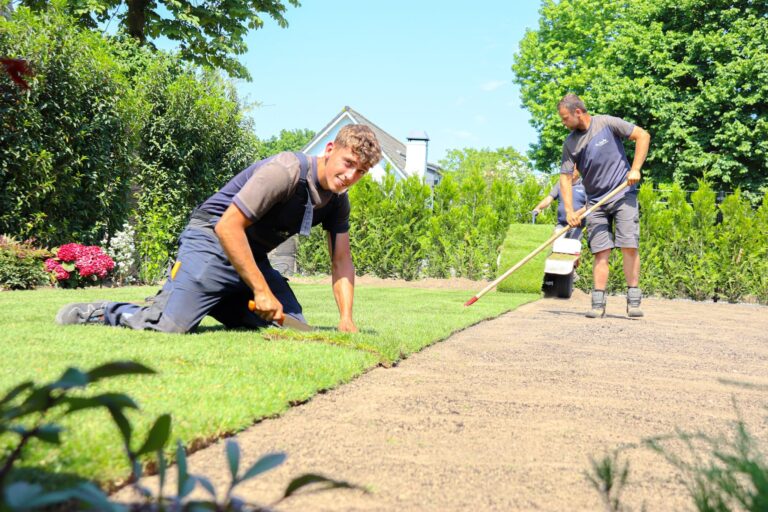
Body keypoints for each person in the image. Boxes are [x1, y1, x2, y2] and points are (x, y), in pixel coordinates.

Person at [55, 124, 382, 333]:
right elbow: (228, 226)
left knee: (290, 325)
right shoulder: (286, 170)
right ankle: (103, 313)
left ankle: (217, 300)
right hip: (211, 239)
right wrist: (261, 290)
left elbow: (341, 261)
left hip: (249, 255)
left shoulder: (338, 200)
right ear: (329, 151)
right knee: (169, 326)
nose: (351, 175)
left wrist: (346, 319)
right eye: (348, 163)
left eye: (361, 171)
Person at [556, 93, 650, 318]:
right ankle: (598, 304)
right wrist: (569, 211)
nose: (564, 123)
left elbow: (642, 135)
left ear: (578, 112)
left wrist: (635, 168)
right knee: (601, 251)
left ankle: (634, 300)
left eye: (565, 118)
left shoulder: (606, 123)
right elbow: (565, 177)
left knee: (629, 245)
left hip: (622, 193)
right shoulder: (570, 143)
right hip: (595, 203)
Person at [532, 168, 587, 240]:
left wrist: (576, 214)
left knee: (572, 249)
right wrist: (538, 208)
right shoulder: (561, 184)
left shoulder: (584, 186)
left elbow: (589, 205)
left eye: (573, 170)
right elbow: (549, 198)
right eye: (569, 170)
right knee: (556, 246)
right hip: (561, 224)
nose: (571, 172)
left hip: (577, 225)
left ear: (579, 171)